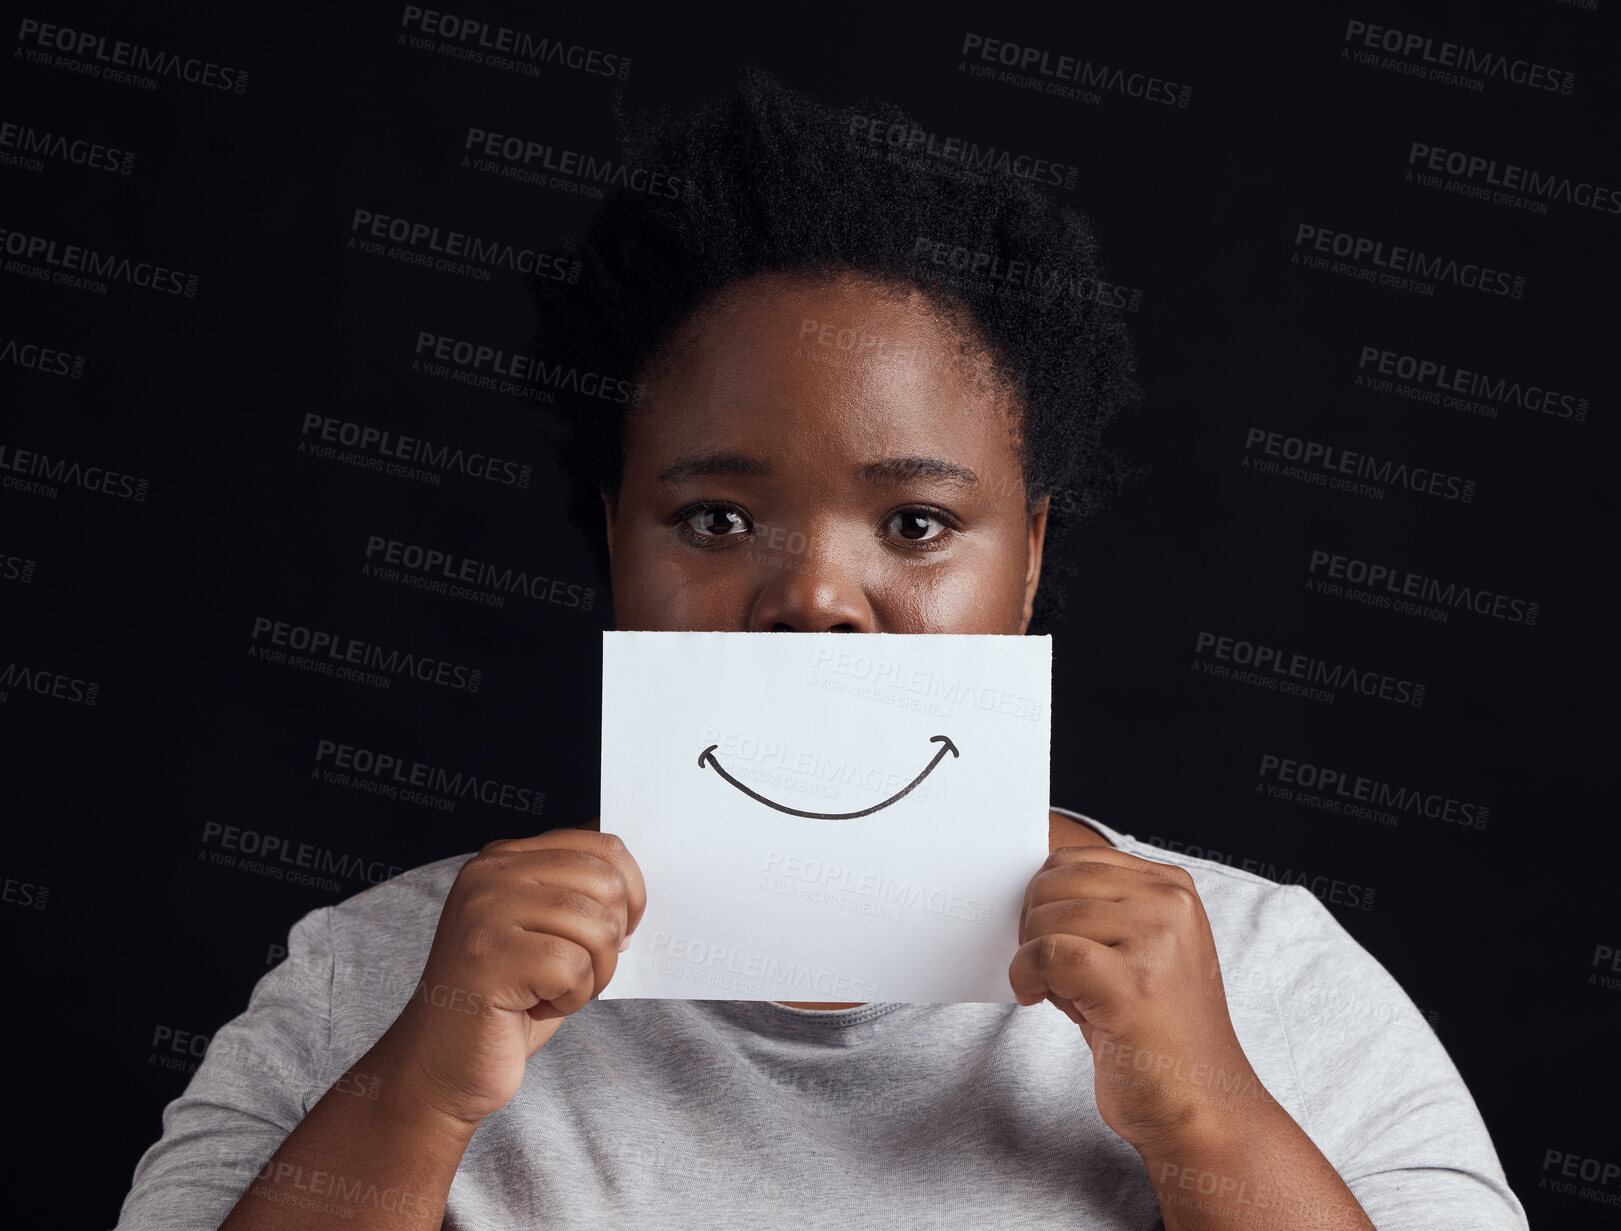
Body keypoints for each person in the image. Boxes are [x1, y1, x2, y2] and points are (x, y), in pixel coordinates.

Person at [113, 67, 1528, 1229]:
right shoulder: (377, 977)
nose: (816, 599)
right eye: (717, 516)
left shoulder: (1270, 973)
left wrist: (1205, 1104)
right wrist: (419, 1091)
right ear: (617, 539)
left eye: (916, 523)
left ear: (1028, 557)